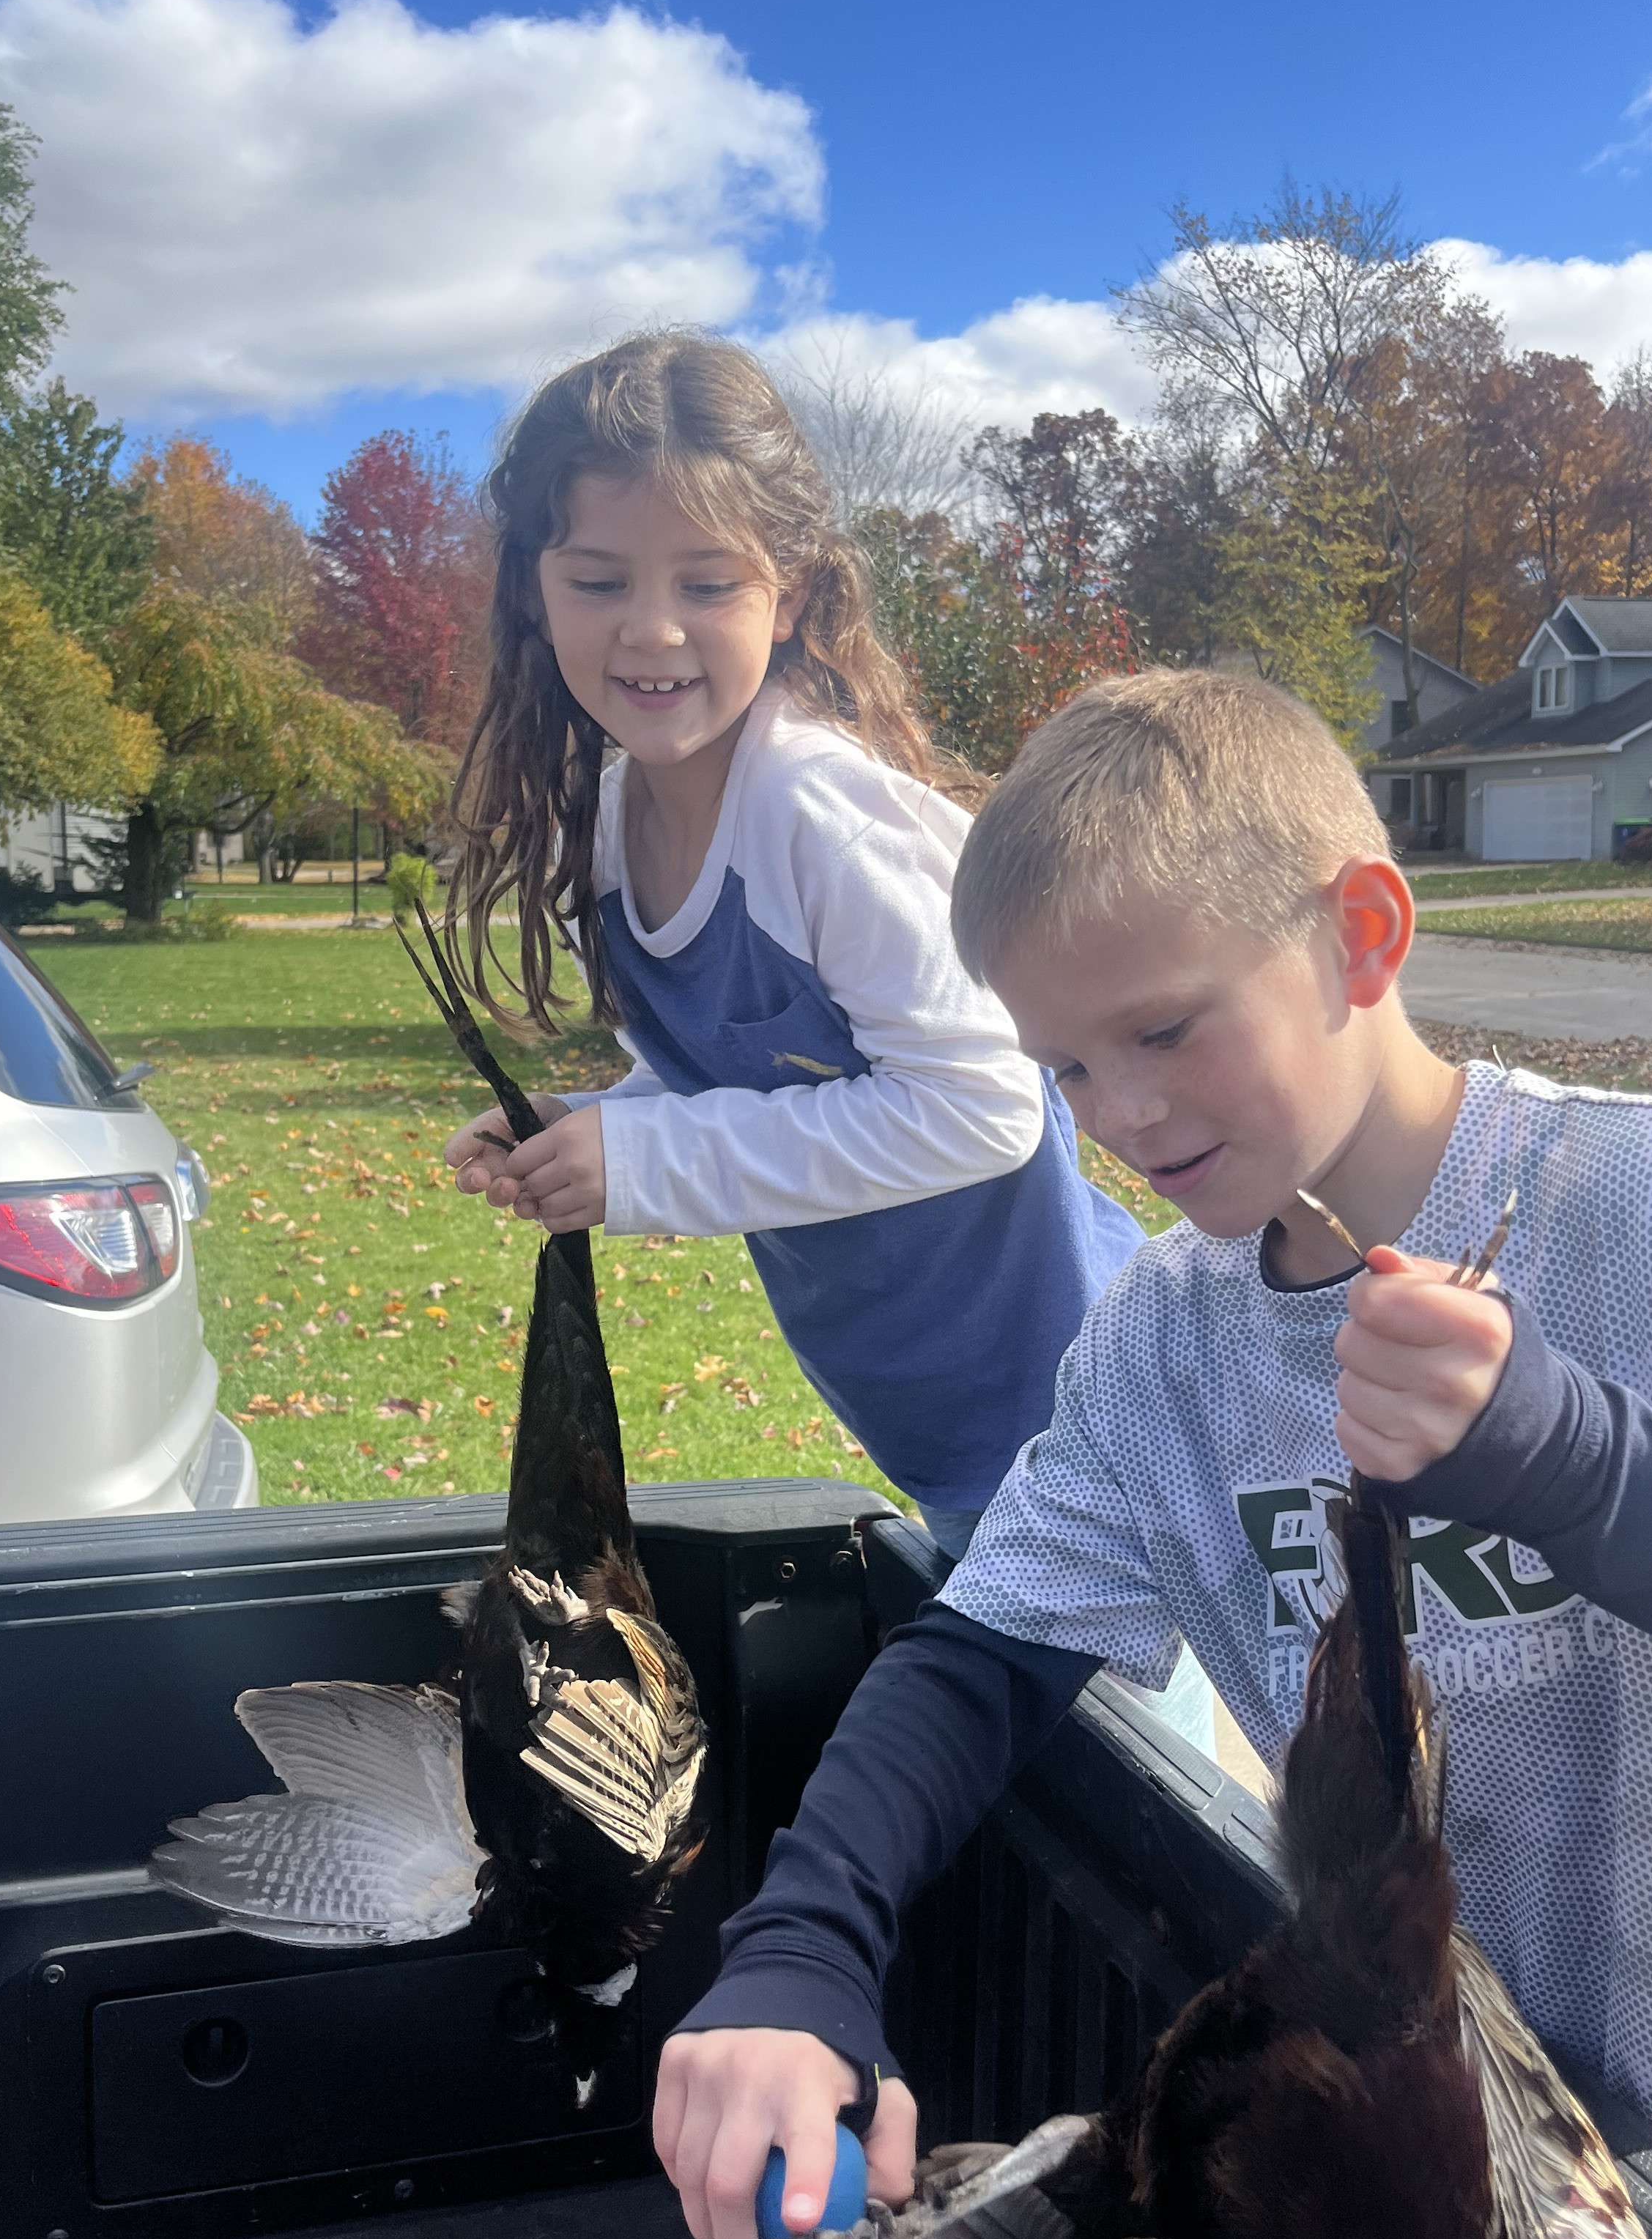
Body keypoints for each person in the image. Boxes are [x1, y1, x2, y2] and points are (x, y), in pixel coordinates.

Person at [656, 667, 1652, 2239]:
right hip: (1485, 2211)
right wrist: (800, 1948)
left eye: (1165, 1029)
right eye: (1065, 1069)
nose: (1123, 1116)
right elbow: (980, 1657)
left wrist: (1575, 1460)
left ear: (1362, 936)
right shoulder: (1163, 1347)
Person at [437, 328, 1144, 1569]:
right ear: (532, 592)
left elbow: (981, 1109)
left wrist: (644, 1161)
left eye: (709, 584)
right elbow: (747, 1078)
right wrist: (590, 1125)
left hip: (1088, 1432)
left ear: (794, 595)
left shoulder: (819, 814)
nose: (653, 631)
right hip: (941, 1431)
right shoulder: (610, 827)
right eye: (598, 582)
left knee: (1123, 1719)